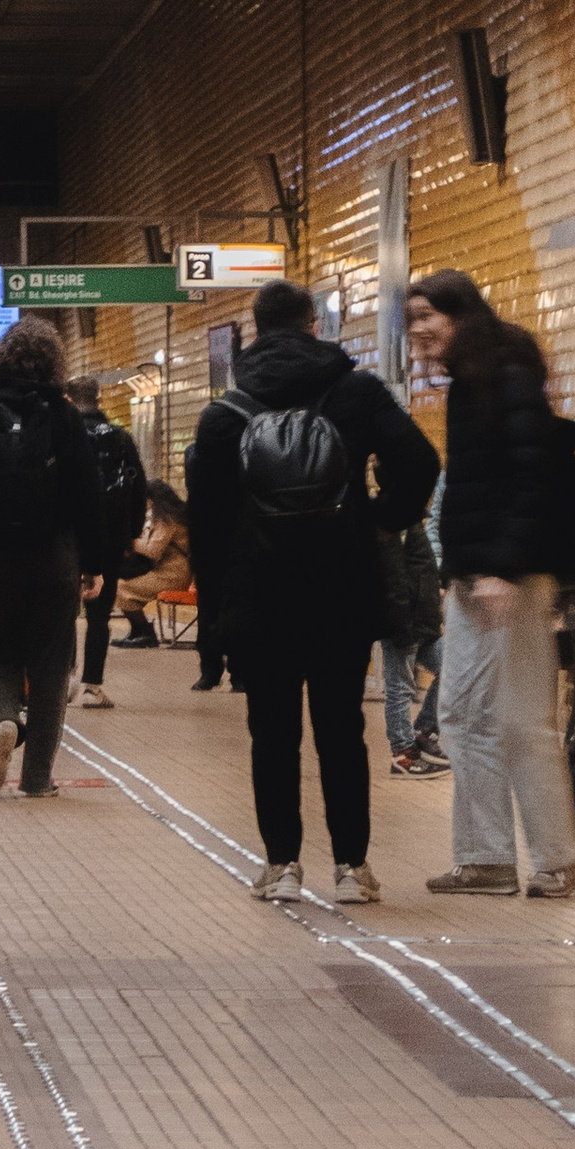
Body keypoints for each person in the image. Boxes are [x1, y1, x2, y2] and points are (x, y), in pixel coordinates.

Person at [186, 275, 438, 907]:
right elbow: (421, 461)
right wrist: (379, 518)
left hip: (259, 594)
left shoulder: (225, 414)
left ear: (255, 331)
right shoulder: (356, 392)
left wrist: (215, 623)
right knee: (341, 730)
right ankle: (353, 869)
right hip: (341, 589)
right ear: (315, 326)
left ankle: (282, 867)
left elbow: (207, 528)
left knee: (271, 733)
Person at [403, 269, 575, 901]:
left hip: (512, 578)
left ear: (461, 314)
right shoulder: (471, 378)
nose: (419, 330)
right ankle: (486, 858)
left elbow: (531, 474)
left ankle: (556, 862)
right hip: (478, 577)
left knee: (523, 721)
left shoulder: (505, 368)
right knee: (463, 715)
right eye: (412, 319)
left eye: (429, 315)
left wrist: (505, 566)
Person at [0, 321, 111, 798]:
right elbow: (87, 494)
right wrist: (93, 563)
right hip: (54, 557)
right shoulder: (64, 415)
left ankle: (2, 723)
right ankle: (37, 779)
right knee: (51, 668)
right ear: (55, 362)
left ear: (2, 362)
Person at [68, 374, 147, 710]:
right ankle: (92, 687)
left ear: (69, 400)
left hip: (67, 537)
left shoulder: (62, 436)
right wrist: (132, 532)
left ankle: (63, 679)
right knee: (99, 616)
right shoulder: (119, 437)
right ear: (99, 399)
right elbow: (138, 485)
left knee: (65, 613)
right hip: (109, 536)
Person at [379, 491, 447, 775]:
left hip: (422, 624)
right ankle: (403, 754)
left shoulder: (412, 521)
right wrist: (401, 626)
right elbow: (393, 577)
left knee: (451, 667)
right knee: (400, 688)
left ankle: (423, 730)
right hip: (403, 623)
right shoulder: (395, 522)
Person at [112, 479, 193, 647]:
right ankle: (137, 632)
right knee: (121, 585)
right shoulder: (167, 516)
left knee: (122, 588)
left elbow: (152, 549)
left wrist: (130, 542)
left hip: (173, 574)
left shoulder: (168, 519)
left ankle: (145, 633)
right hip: (166, 571)